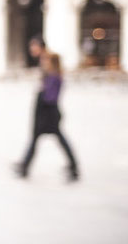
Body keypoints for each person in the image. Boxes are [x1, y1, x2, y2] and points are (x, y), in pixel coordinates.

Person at [14, 50, 80, 181]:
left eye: (46, 60)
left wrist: (42, 93)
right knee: (38, 140)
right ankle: (25, 165)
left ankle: (73, 166)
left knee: (51, 139)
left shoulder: (54, 77)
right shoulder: (50, 76)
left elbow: (50, 98)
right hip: (45, 113)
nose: (43, 62)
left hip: (48, 114)